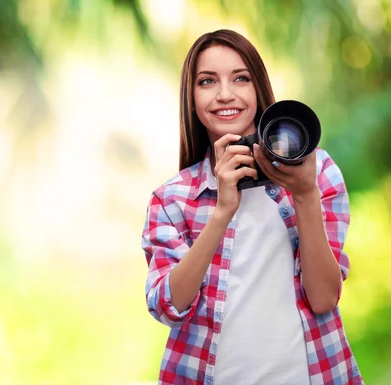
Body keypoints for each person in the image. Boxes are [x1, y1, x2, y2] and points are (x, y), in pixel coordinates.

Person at [141, 29, 363, 385]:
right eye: (207, 81)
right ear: (192, 98)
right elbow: (169, 307)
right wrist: (222, 210)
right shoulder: (172, 199)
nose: (225, 94)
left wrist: (305, 195)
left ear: (258, 89)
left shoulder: (318, 172)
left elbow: (323, 298)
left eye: (240, 78)